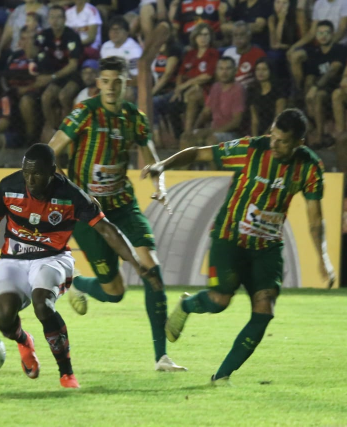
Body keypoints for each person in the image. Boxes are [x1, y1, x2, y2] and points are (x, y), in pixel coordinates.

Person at [142, 108, 336, 383]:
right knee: (220, 301)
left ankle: (221, 376)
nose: (274, 143)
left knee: (265, 308)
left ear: (299, 144)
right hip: (230, 237)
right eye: (272, 135)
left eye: (282, 141)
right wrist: (163, 164)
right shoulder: (251, 148)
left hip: (267, 246)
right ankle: (186, 306)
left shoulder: (310, 166)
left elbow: (316, 219)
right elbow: (199, 152)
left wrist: (323, 258)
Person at [0, 143, 150, 388]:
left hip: (53, 258)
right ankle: (24, 341)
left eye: (37, 173)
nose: (30, 179)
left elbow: (106, 229)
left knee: (42, 305)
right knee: (4, 318)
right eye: (26, 172)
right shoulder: (8, 187)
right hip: (13, 260)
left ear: (52, 172)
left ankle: (66, 373)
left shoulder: (71, 194)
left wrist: (135, 261)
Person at [48, 56, 187, 372]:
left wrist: (160, 183)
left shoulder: (134, 118)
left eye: (118, 82)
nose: (111, 87)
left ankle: (161, 357)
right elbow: (50, 149)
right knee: (114, 294)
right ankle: (79, 284)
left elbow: (152, 157)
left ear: (127, 85)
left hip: (123, 205)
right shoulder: (84, 113)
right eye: (106, 81)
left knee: (150, 265)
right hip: (88, 213)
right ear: (98, 83)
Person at [290, 20, 345, 145]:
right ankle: (314, 134)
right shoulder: (315, 53)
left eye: (327, 33)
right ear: (315, 35)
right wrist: (308, 91)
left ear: (333, 34)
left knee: (318, 95)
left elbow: (333, 70)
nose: (323, 36)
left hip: (336, 86)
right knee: (307, 95)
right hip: (321, 88)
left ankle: (320, 137)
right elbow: (311, 75)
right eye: (320, 33)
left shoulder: (339, 49)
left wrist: (315, 88)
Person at [33, 6, 82, 142]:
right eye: (52, 17)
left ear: (65, 19)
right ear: (48, 19)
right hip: (55, 75)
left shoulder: (71, 35)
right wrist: (31, 34)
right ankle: (55, 128)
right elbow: (32, 54)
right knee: (46, 97)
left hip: (71, 75)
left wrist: (51, 77)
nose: (55, 21)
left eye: (59, 17)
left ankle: (68, 130)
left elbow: (73, 65)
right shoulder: (44, 35)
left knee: (64, 96)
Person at [180, 57, 246, 149]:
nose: (224, 72)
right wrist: (193, 129)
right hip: (214, 130)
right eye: (221, 69)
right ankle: (189, 163)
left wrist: (213, 132)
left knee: (211, 140)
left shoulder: (238, 89)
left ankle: (215, 163)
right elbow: (206, 112)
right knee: (186, 138)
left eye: (228, 69)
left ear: (235, 70)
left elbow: (236, 122)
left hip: (232, 133)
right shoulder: (216, 87)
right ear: (216, 70)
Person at [171, 22, 219, 134]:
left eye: (206, 35)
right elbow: (180, 74)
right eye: (200, 35)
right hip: (184, 89)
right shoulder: (190, 54)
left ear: (211, 36)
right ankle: (179, 136)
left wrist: (185, 85)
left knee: (192, 95)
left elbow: (207, 76)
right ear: (195, 37)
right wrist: (178, 88)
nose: (203, 38)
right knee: (167, 103)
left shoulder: (213, 53)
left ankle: (188, 134)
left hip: (205, 90)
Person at [100, 16, 142, 101]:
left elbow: (137, 77)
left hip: (129, 84)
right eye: (112, 29)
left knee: (126, 95)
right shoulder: (105, 47)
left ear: (127, 32)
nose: (115, 32)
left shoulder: (134, 50)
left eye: (118, 29)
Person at [222, 21, 267, 88]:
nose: (238, 38)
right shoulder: (228, 53)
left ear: (249, 36)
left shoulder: (259, 54)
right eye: (235, 35)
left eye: (242, 34)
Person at [249, 57, 287, 136]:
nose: (260, 73)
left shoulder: (278, 91)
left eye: (264, 69)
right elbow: (254, 121)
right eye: (258, 69)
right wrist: (255, 139)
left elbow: (277, 119)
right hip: (260, 132)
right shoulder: (252, 91)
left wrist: (264, 137)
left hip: (278, 131)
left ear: (270, 71)